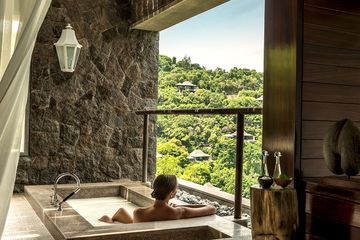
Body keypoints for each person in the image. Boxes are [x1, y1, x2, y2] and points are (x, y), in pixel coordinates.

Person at [99, 174, 216, 223]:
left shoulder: (139, 213)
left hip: (139, 225)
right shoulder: (177, 212)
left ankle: (110, 221)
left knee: (116, 213)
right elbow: (211, 208)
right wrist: (180, 206)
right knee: (121, 212)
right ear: (172, 194)